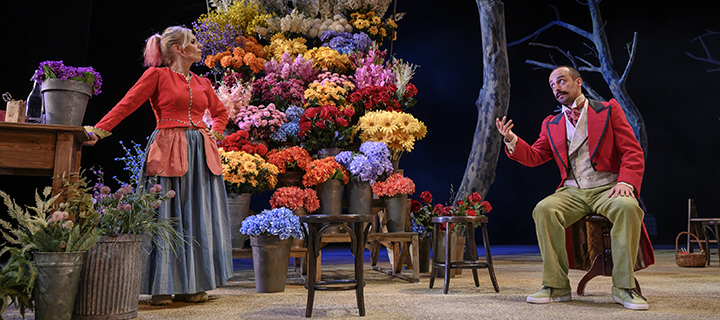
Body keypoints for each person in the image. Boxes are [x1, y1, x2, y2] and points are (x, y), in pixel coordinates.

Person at [84, 26, 232, 305]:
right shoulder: (157, 76)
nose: (200, 46)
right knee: (165, 215)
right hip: (168, 149)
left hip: (200, 153)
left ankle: (194, 285)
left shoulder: (203, 83)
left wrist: (217, 131)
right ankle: (161, 286)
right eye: (194, 41)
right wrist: (99, 131)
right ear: (178, 49)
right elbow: (126, 104)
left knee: (196, 215)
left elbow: (220, 113)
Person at [496, 66, 651, 310]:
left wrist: (626, 182)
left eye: (561, 81)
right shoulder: (552, 123)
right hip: (573, 190)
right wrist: (511, 140)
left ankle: (623, 287)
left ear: (578, 82)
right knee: (544, 209)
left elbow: (632, 150)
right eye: (552, 85)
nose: (556, 87)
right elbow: (536, 155)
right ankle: (556, 286)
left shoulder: (608, 110)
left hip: (607, 186)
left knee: (628, 207)